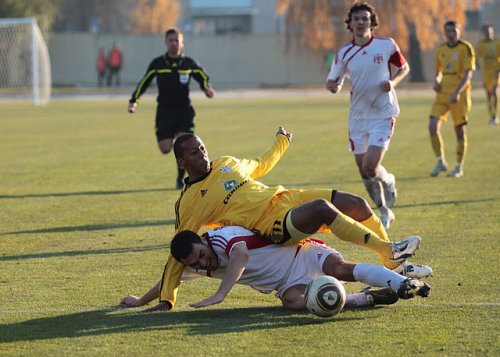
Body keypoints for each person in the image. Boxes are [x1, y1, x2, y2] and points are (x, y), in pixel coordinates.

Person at [151, 126, 431, 311]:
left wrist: (281, 142)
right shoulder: (189, 202)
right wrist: (166, 299)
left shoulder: (225, 163)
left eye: (202, 148)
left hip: (285, 198)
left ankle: (391, 261)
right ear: (180, 162)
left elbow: (260, 165)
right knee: (322, 210)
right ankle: (388, 251)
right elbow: (179, 251)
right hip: (269, 225)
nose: (202, 154)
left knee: (355, 204)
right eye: (193, 152)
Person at [120, 226, 430, 312]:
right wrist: (139, 301)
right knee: (296, 302)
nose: (203, 263)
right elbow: (168, 280)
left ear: (203, 240)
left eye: (201, 255)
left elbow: (240, 257)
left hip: (303, 253)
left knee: (341, 269)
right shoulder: (197, 264)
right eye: (195, 264)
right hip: (286, 284)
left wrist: (220, 294)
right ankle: (368, 298)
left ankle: (399, 281)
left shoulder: (221, 237)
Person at [326, 2, 410, 229]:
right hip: (357, 117)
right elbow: (334, 81)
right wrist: (333, 86)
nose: (361, 22)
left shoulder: (386, 45)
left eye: (365, 18)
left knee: (371, 167)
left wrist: (392, 83)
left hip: (383, 113)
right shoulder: (344, 52)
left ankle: (388, 180)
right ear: (350, 24)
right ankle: (384, 211)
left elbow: (404, 68)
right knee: (363, 171)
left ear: (372, 22)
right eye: (357, 19)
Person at [128, 28, 215, 189]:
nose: (174, 43)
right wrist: (134, 101)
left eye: (177, 40)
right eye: (171, 40)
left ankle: (180, 179)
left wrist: (207, 88)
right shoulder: (158, 63)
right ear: (166, 42)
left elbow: (202, 76)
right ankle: (173, 141)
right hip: (164, 113)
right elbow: (144, 82)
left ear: (182, 43)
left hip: (184, 112)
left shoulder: (188, 63)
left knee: (184, 146)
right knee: (166, 148)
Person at [428, 21, 476, 178]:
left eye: (453, 31)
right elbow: (439, 71)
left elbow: (468, 74)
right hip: (442, 94)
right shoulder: (441, 49)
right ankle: (440, 161)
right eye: (447, 31)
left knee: (459, 131)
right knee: (432, 126)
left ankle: (458, 167)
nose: (451, 34)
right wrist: (436, 81)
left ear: (459, 31)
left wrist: (456, 92)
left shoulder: (465, 47)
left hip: (459, 96)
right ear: (444, 32)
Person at [476, 24, 500, 126]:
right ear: (483, 33)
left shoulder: (497, 43)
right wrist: (477, 66)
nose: (488, 33)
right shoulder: (481, 45)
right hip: (486, 73)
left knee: (495, 92)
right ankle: (492, 115)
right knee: (489, 95)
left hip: (496, 71)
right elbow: (476, 57)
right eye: (486, 32)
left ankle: (496, 115)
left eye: (489, 31)